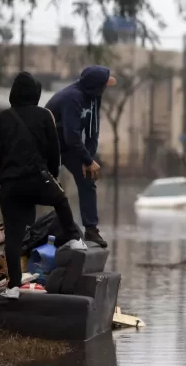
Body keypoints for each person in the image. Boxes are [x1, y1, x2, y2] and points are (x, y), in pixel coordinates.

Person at [0, 72, 87, 300]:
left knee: (13, 237)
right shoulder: (44, 116)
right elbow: (54, 153)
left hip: (10, 186)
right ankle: (75, 240)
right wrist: (51, 177)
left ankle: (13, 287)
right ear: (35, 94)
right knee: (60, 200)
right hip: (38, 179)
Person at [45, 65, 116, 248]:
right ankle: (30, 227)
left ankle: (91, 230)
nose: (106, 89)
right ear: (96, 86)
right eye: (104, 85)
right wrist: (86, 159)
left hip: (69, 146)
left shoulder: (94, 98)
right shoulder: (72, 97)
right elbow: (72, 136)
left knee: (88, 177)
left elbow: (92, 131)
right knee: (45, 185)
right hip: (47, 144)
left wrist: (89, 160)